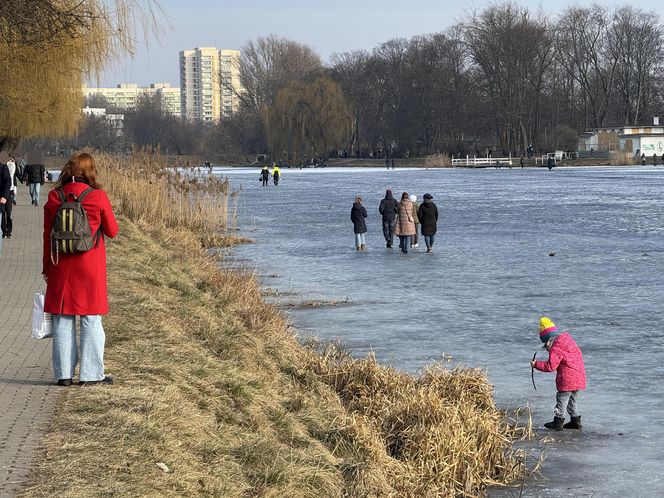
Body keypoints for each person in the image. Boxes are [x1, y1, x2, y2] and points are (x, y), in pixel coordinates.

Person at [42, 152, 119, 386]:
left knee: (63, 320)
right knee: (91, 320)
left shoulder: (54, 197)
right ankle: (91, 374)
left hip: (61, 266)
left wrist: (46, 267)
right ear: (90, 171)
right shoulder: (97, 197)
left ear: (68, 170)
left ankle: (63, 375)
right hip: (90, 267)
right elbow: (113, 231)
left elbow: (47, 236)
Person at [530, 317, 586, 431]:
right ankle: (575, 421)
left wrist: (536, 364)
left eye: (546, 345)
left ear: (549, 340)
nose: (547, 349)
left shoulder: (556, 348)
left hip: (567, 379)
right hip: (579, 377)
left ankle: (558, 421)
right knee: (572, 400)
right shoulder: (567, 340)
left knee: (561, 399)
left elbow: (550, 366)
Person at [1, 157, 17, 238]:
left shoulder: (11, 165)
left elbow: (10, 177)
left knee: (8, 211)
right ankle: (3, 231)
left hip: (9, 191)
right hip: (1, 192)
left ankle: (9, 230)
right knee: (2, 212)